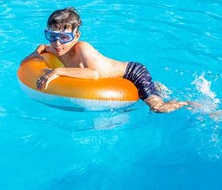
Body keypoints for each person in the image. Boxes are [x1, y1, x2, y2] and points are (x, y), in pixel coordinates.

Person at [21, 7, 190, 113]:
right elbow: (43, 47)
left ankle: (189, 103)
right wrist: (35, 53)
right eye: (52, 36)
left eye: (64, 37)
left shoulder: (82, 48)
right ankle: (156, 88)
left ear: (76, 36)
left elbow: (93, 74)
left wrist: (57, 71)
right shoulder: (57, 48)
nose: (57, 43)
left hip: (132, 74)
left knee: (157, 108)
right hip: (114, 78)